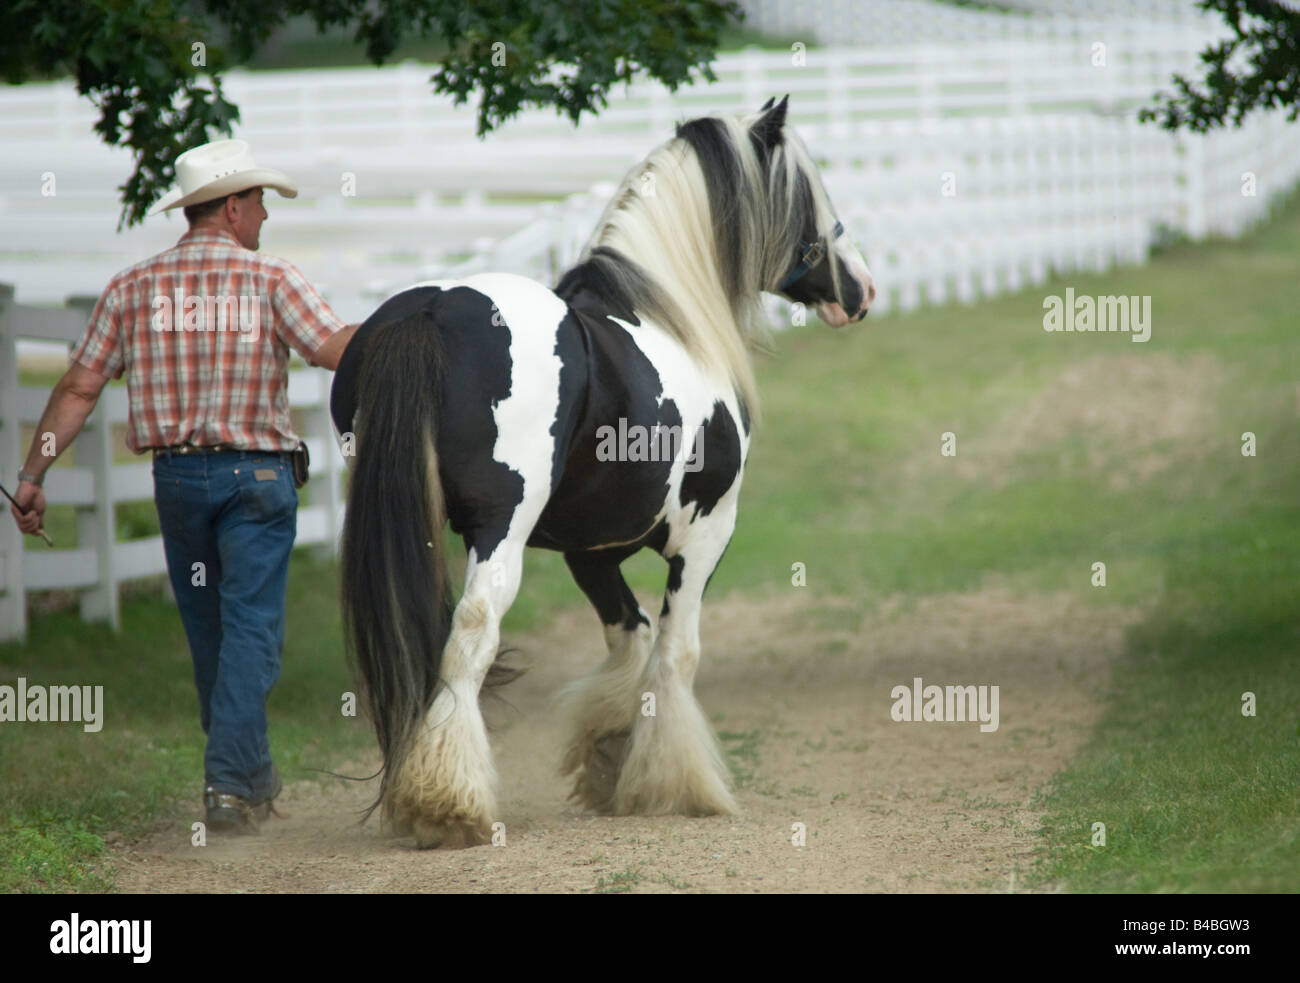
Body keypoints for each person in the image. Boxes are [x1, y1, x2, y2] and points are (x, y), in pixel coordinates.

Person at [9, 139, 359, 833]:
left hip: (178, 480)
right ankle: (229, 783)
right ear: (231, 208)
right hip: (257, 477)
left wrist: (31, 474)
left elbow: (80, 386)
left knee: (212, 634)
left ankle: (249, 779)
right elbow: (333, 350)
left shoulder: (133, 287)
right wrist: (405, 329)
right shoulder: (271, 281)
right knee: (252, 629)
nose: (264, 215)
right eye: (258, 201)